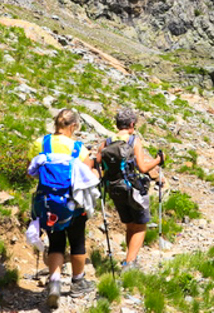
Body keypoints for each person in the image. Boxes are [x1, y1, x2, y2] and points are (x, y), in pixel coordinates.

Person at [31, 109, 97, 307]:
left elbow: (30, 170)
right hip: (73, 204)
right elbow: (88, 177)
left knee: (56, 241)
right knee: (77, 242)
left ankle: (54, 282)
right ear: (73, 126)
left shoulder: (40, 143)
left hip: (48, 202)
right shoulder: (79, 148)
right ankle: (78, 282)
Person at [96, 108, 164, 270]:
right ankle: (130, 262)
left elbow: (97, 161)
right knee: (140, 225)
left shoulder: (106, 142)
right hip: (131, 187)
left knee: (130, 224)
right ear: (132, 124)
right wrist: (158, 160)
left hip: (113, 188)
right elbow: (142, 167)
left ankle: (130, 257)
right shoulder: (133, 141)